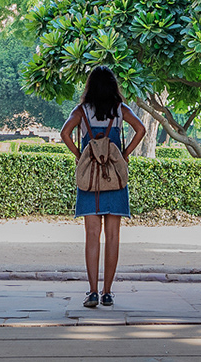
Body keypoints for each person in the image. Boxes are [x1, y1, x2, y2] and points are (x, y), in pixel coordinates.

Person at [60, 66, 146, 309]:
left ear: (90, 87)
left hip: (90, 180)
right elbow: (141, 129)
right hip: (114, 177)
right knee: (113, 236)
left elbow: (65, 133)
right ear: (112, 87)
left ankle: (93, 292)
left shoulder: (82, 111)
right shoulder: (120, 110)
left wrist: (80, 155)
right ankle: (108, 292)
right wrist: (125, 154)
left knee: (91, 236)